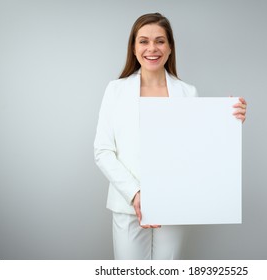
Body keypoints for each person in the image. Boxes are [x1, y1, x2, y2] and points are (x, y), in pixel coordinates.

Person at [94, 12, 247, 260]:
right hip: (128, 204)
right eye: (143, 41)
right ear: (133, 48)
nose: (152, 48)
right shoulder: (116, 90)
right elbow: (102, 151)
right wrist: (136, 193)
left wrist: (229, 121)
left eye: (160, 41)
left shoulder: (187, 92)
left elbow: (198, 149)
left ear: (170, 48)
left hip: (174, 203)